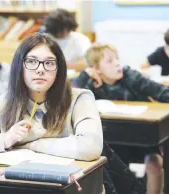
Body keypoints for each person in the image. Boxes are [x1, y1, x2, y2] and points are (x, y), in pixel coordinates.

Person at [0, 33, 103, 163]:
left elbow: (90, 147)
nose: (40, 69)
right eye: (31, 62)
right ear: (19, 67)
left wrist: (30, 145)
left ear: (59, 69)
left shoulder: (79, 99)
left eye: (49, 63)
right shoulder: (8, 100)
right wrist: (4, 140)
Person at [72, 43, 169, 194]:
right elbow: (72, 98)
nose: (117, 63)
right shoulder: (90, 84)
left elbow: (162, 92)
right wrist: (85, 74)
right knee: (110, 170)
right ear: (96, 69)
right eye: (110, 61)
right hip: (113, 142)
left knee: (154, 163)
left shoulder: (131, 76)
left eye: (117, 59)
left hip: (141, 138)